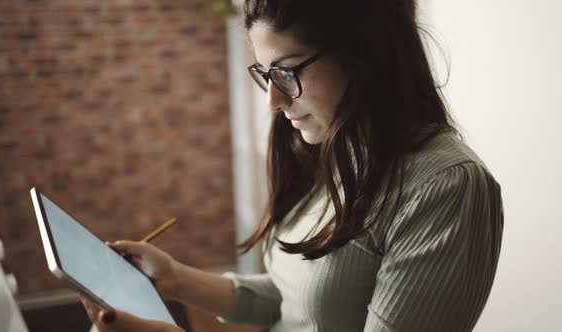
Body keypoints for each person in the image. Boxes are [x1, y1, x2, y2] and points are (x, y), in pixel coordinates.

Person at [82, 0, 504, 331]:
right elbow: (297, 301)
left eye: (286, 72)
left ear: (362, 53)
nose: (275, 101)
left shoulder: (448, 189)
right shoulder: (331, 152)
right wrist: (175, 278)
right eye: (266, 75)